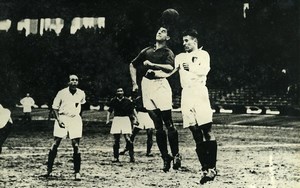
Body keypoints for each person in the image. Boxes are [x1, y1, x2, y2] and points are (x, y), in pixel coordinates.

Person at [162, 29, 218, 184]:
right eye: (183, 41)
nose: (184, 43)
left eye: (187, 40)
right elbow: (170, 71)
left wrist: (190, 68)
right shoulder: (180, 57)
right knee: (195, 132)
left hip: (199, 92)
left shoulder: (203, 54)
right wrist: (155, 71)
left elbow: (205, 70)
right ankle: (205, 168)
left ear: (195, 40)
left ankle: (213, 167)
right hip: (186, 95)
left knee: (206, 130)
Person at [129, 26, 181, 172]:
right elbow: (132, 64)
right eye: (158, 30)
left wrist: (152, 65)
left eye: (163, 31)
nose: (159, 32)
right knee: (157, 125)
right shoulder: (147, 50)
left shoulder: (168, 52)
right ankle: (166, 157)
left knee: (168, 122)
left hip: (161, 85)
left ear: (168, 38)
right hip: (147, 86)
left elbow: (170, 68)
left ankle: (176, 154)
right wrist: (134, 83)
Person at [43, 75, 86, 181]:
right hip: (62, 118)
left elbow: (82, 106)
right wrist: (58, 120)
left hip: (75, 119)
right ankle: (49, 170)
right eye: (72, 80)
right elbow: (55, 108)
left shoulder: (81, 93)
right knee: (55, 143)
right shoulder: (61, 93)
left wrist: (78, 117)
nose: (75, 82)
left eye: (76, 80)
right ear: (68, 82)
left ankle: (77, 172)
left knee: (76, 145)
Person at [119, 91, 155, 157]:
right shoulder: (138, 99)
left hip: (149, 115)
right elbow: (133, 108)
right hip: (140, 115)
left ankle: (149, 151)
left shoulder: (152, 98)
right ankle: (127, 147)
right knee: (133, 133)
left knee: (150, 133)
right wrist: (135, 117)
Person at [106, 88, 137, 163]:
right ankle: (116, 157)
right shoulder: (114, 100)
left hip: (125, 119)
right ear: (116, 93)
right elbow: (110, 111)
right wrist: (107, 119)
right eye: (118, 91)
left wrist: (136, 118)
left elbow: (133, 110)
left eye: (121, 91)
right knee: (116, 139)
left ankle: (132, 156)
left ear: (123, 92)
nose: (120, 93)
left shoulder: (127, 101)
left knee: (127, 138)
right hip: (117, 119)